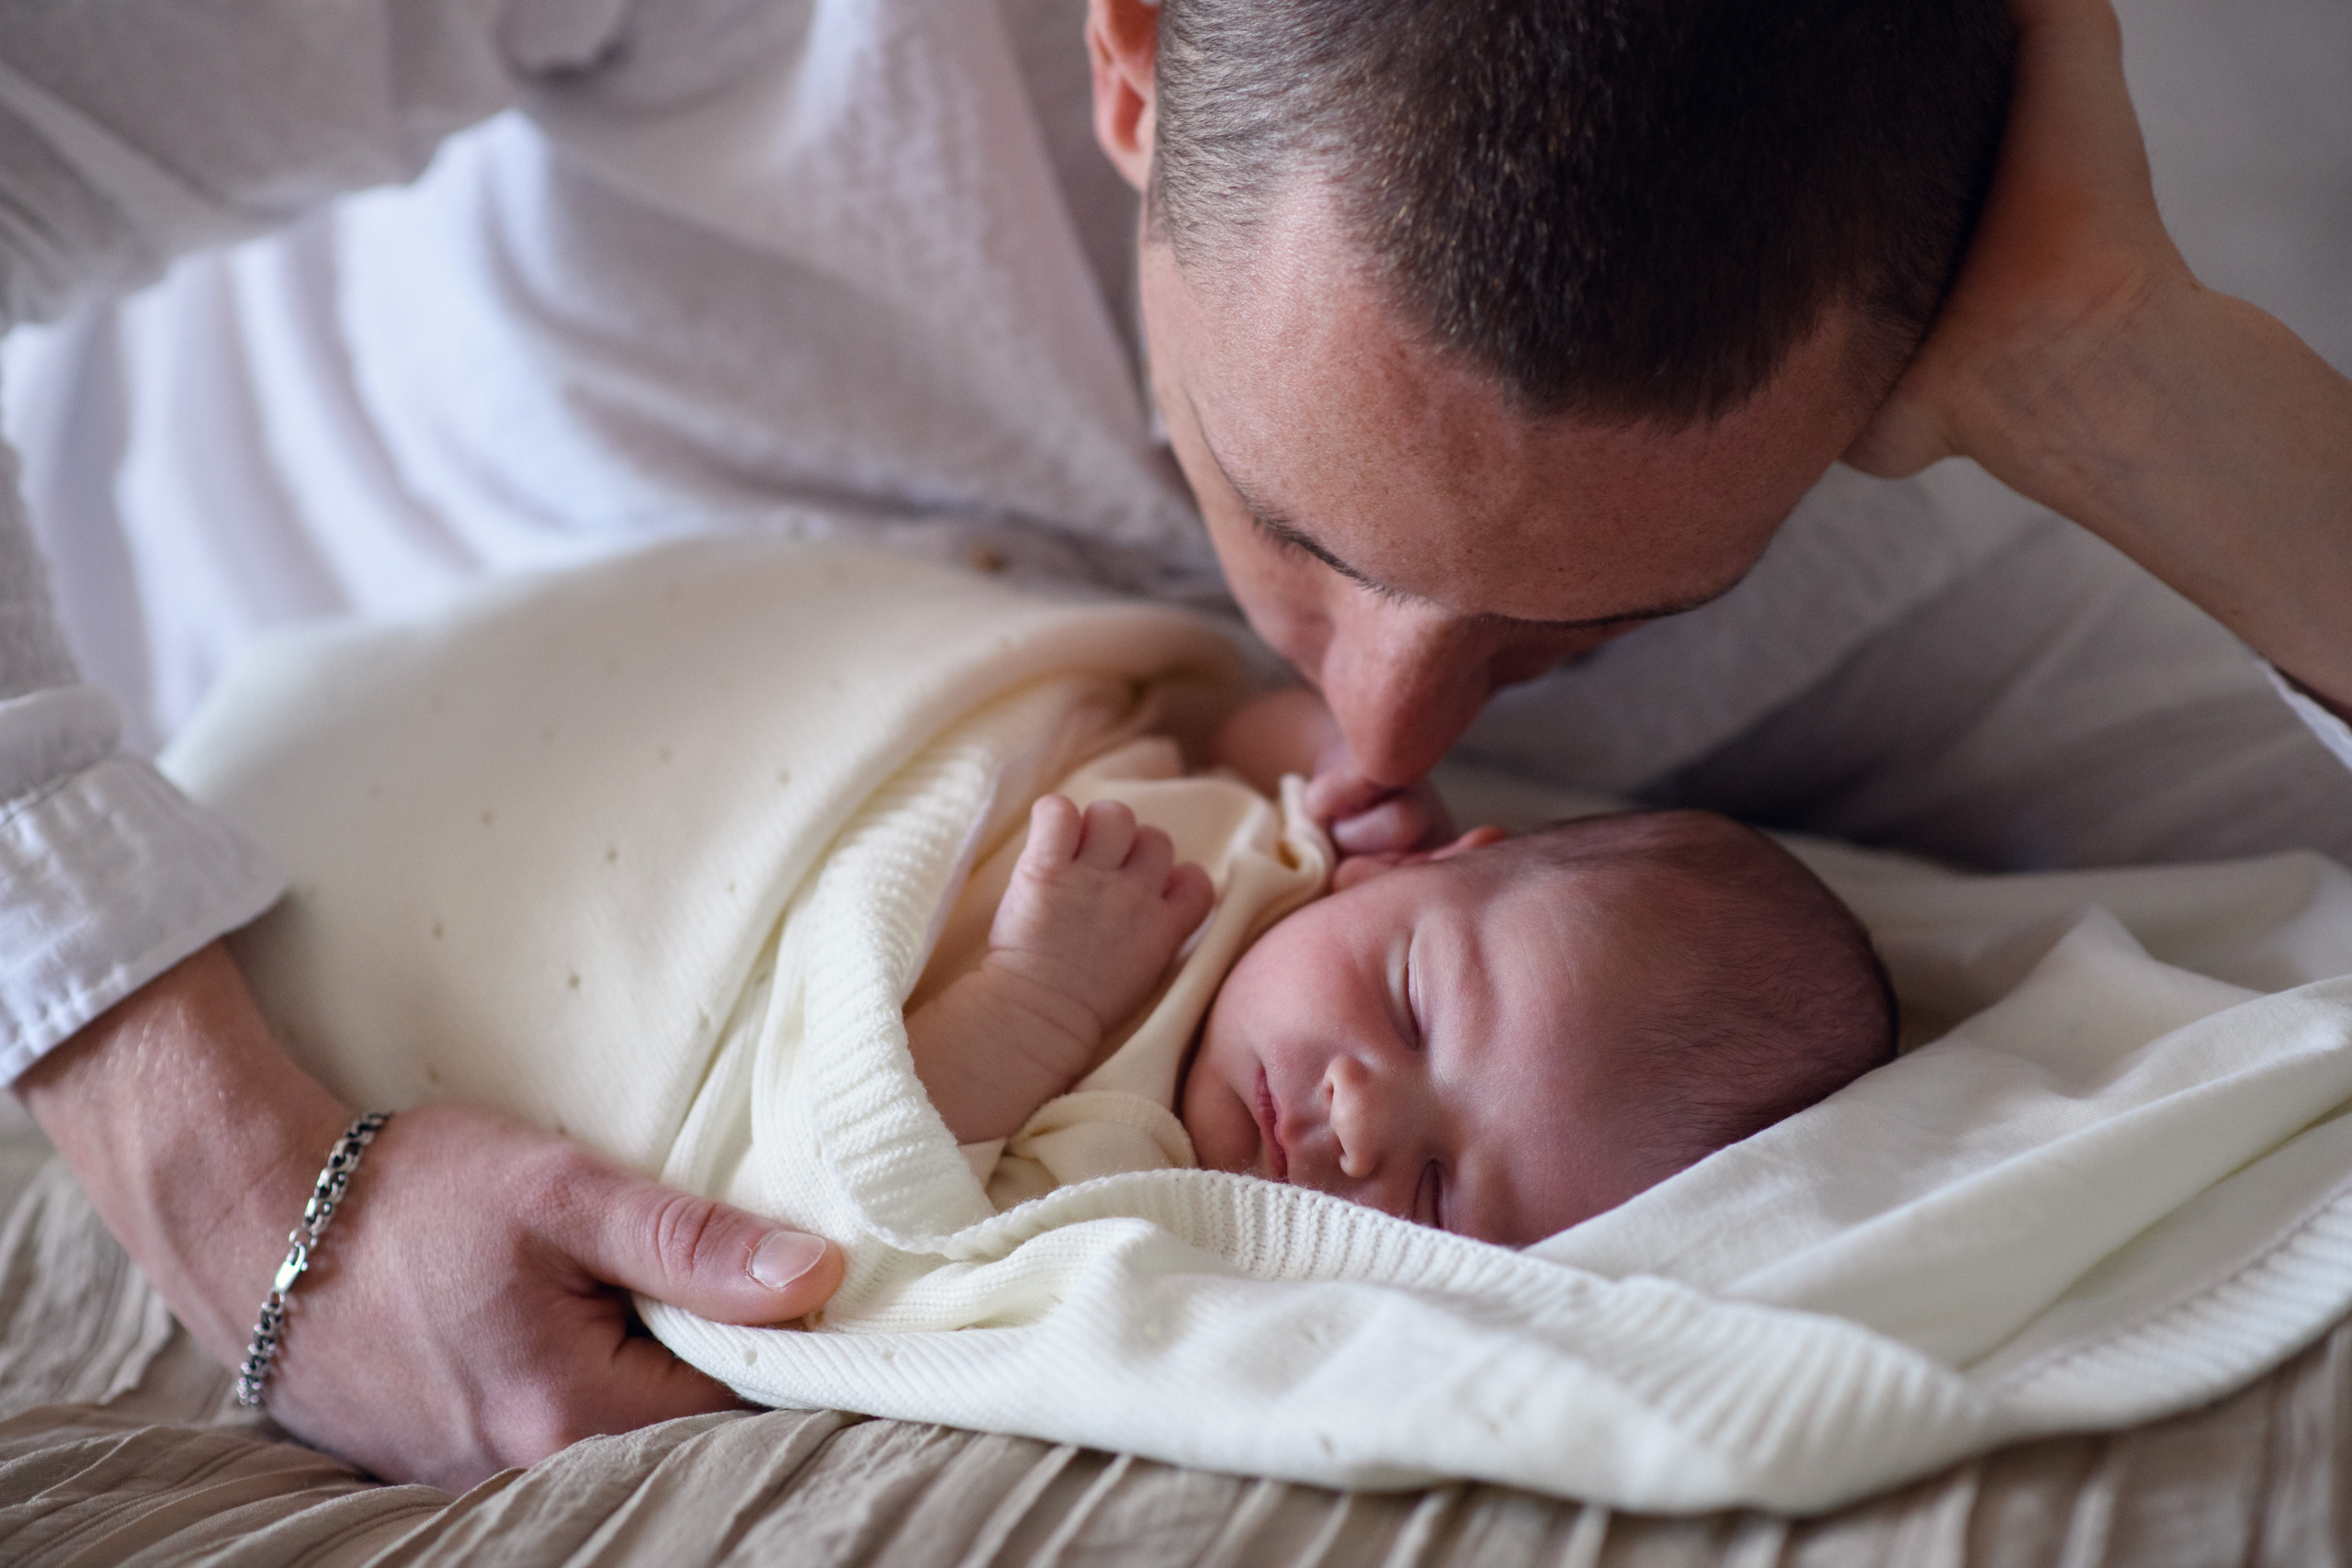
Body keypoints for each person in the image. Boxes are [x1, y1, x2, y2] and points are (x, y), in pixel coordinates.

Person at [3, 0, 2348, 1490]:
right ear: (1122, 63)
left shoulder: (1901, 498)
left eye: (1598, 627)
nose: (1383, 732)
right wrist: (221, 1165)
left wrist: (2132, 371)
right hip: (183, 642)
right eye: (1294, 519)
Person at [911, 773, 1893, 1246]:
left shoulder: (1128, 1194)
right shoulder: (1296, 857)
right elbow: (1200, 712)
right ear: (1407, 866)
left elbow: (896, 1207)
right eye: (1411, 1003)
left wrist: (1033, 999)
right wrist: (1324, 753)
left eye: (1434, 1196)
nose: (1356, 1122)